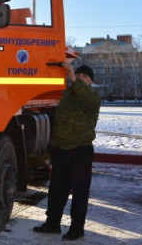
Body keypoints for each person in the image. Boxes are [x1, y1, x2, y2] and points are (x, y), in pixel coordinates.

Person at [33, 63, 101, 241]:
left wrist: (72, 77)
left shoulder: (93, 97)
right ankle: (52, 224)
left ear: (91, 81)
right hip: (62, 150)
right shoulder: (67, 97)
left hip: (81, 151)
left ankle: (77, 228)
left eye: (84, 76)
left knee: (79, 192)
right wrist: (53, 147)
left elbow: (87, 98)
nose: (79, 77)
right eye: (78, 74)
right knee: (56, 190)